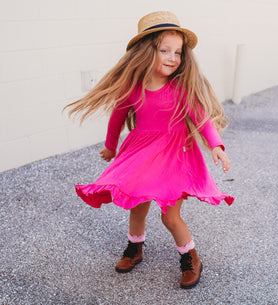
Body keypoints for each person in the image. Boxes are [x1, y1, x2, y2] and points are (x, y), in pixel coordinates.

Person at [64, 11, 234, 289]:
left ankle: (190, 257)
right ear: (146, 52)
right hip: (142, 153)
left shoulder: (182, 88)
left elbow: (202, 118)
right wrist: (110, 147)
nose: (172, 57)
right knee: (137, 206)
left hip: (173, 156)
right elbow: (117, 118)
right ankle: (135, 248)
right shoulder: (132, 88)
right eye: (165, 50)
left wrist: (216, 145)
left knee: (169, 215)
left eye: (177, 52)